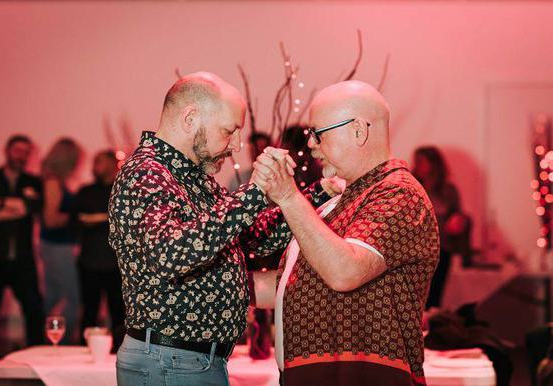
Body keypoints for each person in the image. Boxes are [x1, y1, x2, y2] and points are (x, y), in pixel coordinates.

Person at [109, 72, 339, 386]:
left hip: (187, 361)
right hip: (169, 359)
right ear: (190, 118)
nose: (235, 145)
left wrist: (315, 193)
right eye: (228, 131)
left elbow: (255, 238)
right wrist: (256, 191)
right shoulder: (146, 172)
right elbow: (171, 254)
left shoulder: (192, 175)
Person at [253, 80, 440, 385]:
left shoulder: (399, 193)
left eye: (318, 133)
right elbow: (294, 286)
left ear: (358, 130)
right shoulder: (342, 199)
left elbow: (344, 271)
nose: (311, 144)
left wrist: (288, 196)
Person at [0, 135, 44, 369]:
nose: (21, 155)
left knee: (33, 307)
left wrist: (1, 205)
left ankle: (34, 360)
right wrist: (16, 206)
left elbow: (32, 208)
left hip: (23, 258)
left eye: (26, 151)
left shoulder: (33, 181)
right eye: (17, 150)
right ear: (7, 151)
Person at [412, 146, 472, 309]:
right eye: (416, 161)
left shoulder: (448, 191)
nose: (417, 165)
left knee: (434, 298)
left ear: (434, 164)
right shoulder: (412, 186)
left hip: (442, 249)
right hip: (417, 251)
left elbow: (459, 216)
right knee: (415, 299)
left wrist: (458, 221)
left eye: (421, 162)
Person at [76, 150, 125, 351]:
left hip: (116, 263)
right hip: (89, 262)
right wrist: (106, 217)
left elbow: (123, 220)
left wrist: (95, 218)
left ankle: (119, 352)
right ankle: (86, 349)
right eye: (95, 162)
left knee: (118, 312)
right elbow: (79, 220)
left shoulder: (121, 190)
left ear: (113, 166)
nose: (95, 167)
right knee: (89, 311)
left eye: (100, 162)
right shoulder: (85, 191)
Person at [40, 138, 82, 344]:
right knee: (71, 297)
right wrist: (77, 215)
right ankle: (61, 344)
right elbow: (50, 219)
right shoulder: (53, 181)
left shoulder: (54, 180)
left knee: (54, 296)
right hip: (57, 246)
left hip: (54, 246)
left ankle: (48, 342)